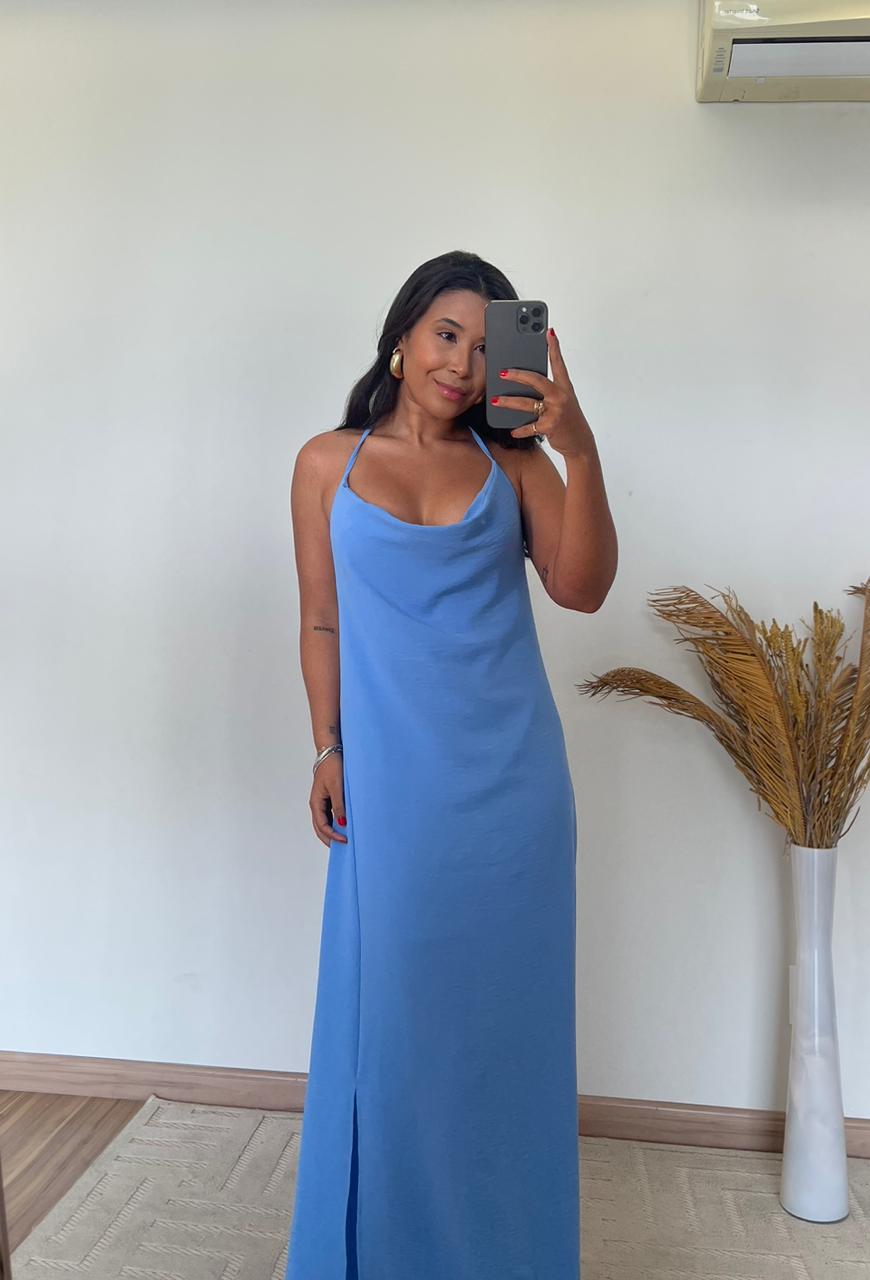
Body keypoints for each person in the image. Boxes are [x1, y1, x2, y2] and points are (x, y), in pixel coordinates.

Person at [285, 249, 617, 1280]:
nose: (462, 363)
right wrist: (328, 745)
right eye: (445, 334)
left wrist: (578, 449)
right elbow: (321, 619)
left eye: (482, 345)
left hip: (512, 796)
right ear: (403, 335)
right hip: (393, 794)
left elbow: (582, 588)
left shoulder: (514, 468)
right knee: (395, 1035)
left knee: (502, 1045)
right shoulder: (326, 463)